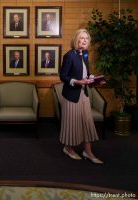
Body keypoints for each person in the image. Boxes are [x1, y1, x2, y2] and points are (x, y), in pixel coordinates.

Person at [59, 28, 104, 164]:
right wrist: (77, 82)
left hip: (84, 94)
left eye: (86, 38)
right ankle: (68, 148)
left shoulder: (85, 54)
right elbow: (63, 76)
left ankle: (88, 152)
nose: (84, 40)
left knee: (87, 122)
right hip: (71, 96)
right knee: (72, 124)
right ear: (76, 39)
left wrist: (94, 79)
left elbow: (86, 73)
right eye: (82, 38)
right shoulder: (69, 55)